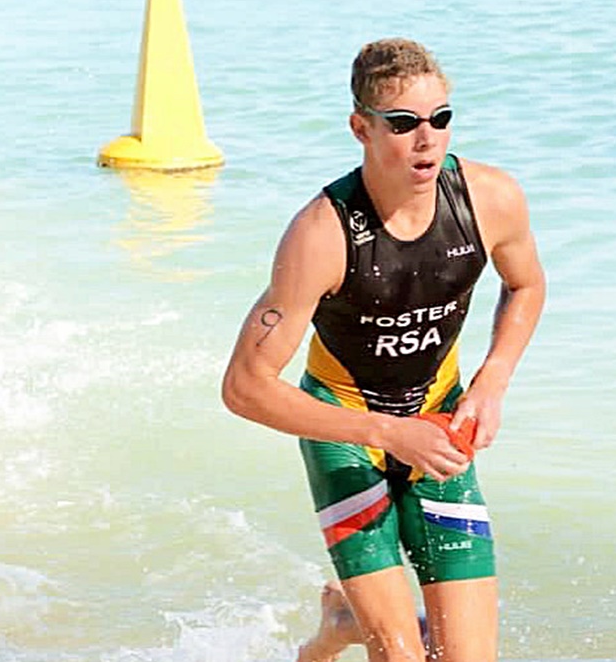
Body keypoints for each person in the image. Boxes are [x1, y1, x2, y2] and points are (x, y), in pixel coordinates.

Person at [222, 38, 546, 662]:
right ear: (361, 128)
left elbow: (527, 284)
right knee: (400, 656)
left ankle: (347, 617)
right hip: (346, 434)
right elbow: (244, 386)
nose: (427, 139)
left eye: (440, 119)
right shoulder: (322, 234)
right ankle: (340, 631)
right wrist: (386, 433)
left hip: (439, 423)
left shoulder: (490, 199)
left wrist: (492, 380)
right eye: (403, 123)